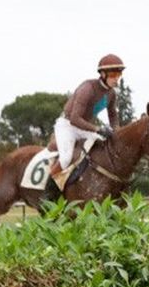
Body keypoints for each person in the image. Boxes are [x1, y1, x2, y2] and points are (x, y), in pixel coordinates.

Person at [51, 54, 125, 188]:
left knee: (104, 144)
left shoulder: (111, 93)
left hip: (84, 127)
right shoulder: (88, 88)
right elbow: (74, 119)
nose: (116, 79)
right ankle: (49, 189)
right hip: (67, 125)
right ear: (103, 74)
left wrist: (117, 132)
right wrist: (98, 129)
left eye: (118, 75)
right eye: (113, 75)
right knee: (66, 158)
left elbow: (113, 116)